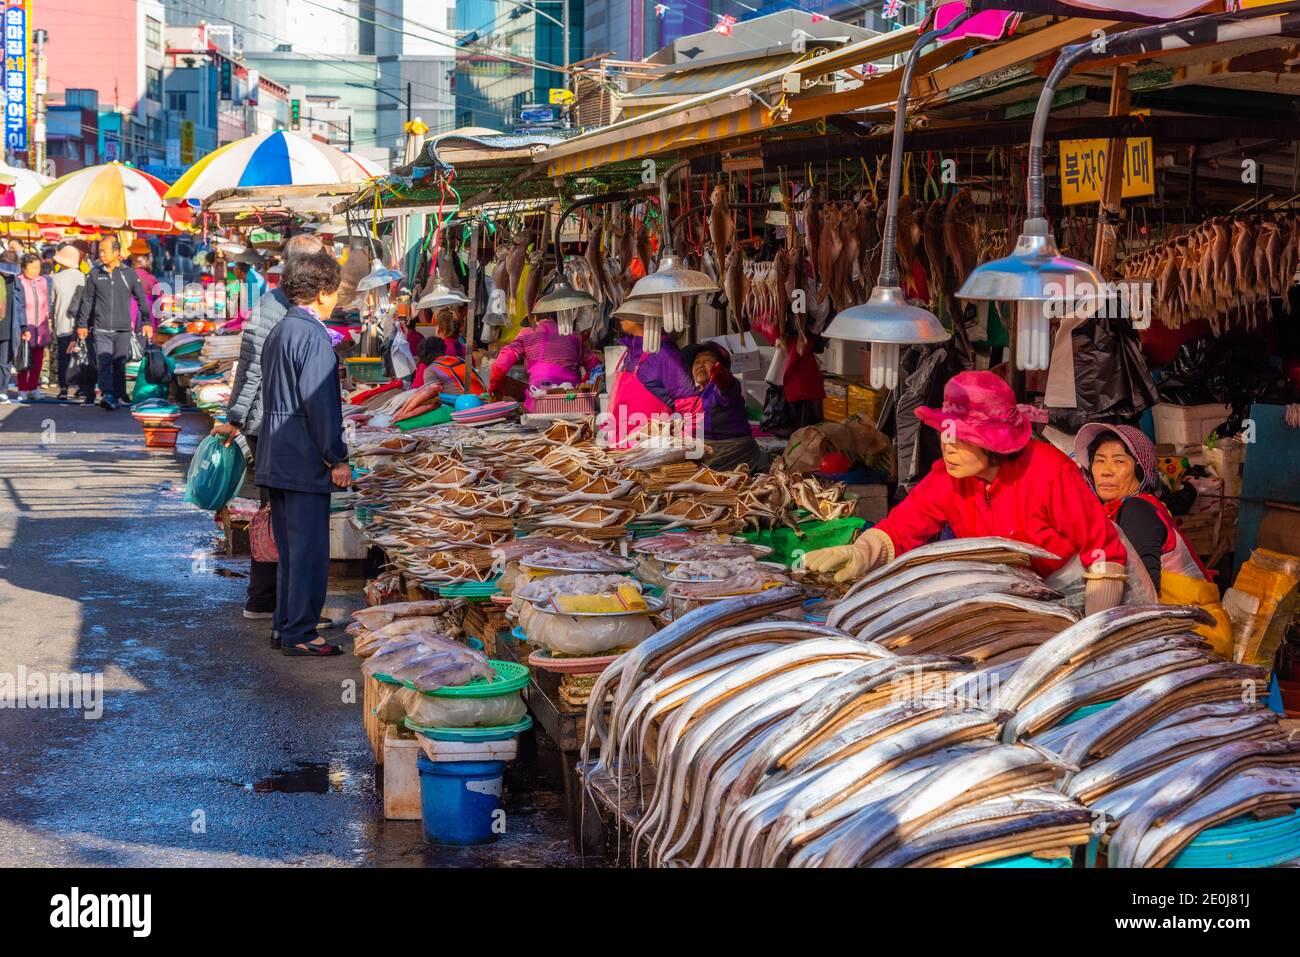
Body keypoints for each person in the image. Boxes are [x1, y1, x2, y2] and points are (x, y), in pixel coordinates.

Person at [805, 371, 1132, 615]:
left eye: (961, 438)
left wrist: (1095, 627)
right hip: (1015, 596)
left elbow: (1102, 553)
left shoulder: (1049, 472)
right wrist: (862, 552)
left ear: (995, 443)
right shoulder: (947, 479)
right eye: (946, 435)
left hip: (1082, 588)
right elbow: (902, 528)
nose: (948, 447)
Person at [212, 233, 325, 626]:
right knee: (273, 515)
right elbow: (251, 368)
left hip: (277, 421)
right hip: (270, 424)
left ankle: (282, 606)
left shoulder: (287, 305)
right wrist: (236, 418)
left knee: (279, 514)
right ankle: (265, 600)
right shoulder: (272, 307)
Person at [255, 248, 350, 657]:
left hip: (277, 454)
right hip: (303, 459)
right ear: (324, 291)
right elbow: (321, 406)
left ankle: (286, 625)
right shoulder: (312, 336)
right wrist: (337, 456)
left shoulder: (281, 329)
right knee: (308, 550)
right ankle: (301, 633)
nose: (338, 298)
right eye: (337, 290)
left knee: (291, 551)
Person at [1076, 423, 1234, 656]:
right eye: (1099, 460)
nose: (1106, 471)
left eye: (1119, 461)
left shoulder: (1137, 509)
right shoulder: (1119, 510)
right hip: (1180, 626)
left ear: (1140, 470)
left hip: (1197, 636)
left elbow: (1143, 590)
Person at [75, 236, 153, 410]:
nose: (101, 254)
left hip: (123, 329)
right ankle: (108, 394)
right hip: (101, 328)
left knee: (119, 363)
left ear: (116, 252)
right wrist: (82, 324)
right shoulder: (94, 273)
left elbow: (141, 298)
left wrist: (147, 321)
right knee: (104, 362)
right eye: (100, 250)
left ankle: (118, 394)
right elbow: (87, 300)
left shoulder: (129, 274)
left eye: (104, 250)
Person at [603, 309, 698, 446]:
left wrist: (683, 445)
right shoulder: (630, 351)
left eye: (629, 308)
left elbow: (691, 406)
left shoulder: (665, 354)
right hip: (620, 448)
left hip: (651, 451)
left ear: (646, 313)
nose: (619, 314)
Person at [488, 311, 602, 410]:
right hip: (571, 399)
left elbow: (500, 365)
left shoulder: (527, 333)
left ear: (535, 318)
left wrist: (494, 386)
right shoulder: (574, 336)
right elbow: (596, 368)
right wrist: (583, 385)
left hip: (539, 400)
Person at [682, 341, 766, 472]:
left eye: (706, 359)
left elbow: (728, 389)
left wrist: (722, 376)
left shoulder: (719, 388)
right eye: (696, 362)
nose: (700, 364)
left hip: (732, 455)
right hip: (704, 453)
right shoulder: (695, 394)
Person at [11, 253, 53, 401]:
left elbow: (47, 303)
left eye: (38, 267)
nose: (36, 270)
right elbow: (18, 306)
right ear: (24, 268)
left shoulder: (43, 281)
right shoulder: (18, 281)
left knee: (38, 360)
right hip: (25, 326)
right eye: (32, 267)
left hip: (41, 325)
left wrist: (48, 321)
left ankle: (33, 388)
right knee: (23, 359)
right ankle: (22, 389)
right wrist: (22, 327)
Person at [50, 244, 86, 401]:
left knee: (63, 356)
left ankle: (63, 388)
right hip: (80, 324)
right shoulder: (82, 276)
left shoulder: (56, 278)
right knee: (81, 355)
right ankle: (81, 387)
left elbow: (52, 302)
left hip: (62, 323)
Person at [0, 256, 12, 403]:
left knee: (5, 361)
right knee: (4, 361)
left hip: (8, 326)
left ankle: (2, 390)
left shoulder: (15, 281)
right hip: (6, 324)